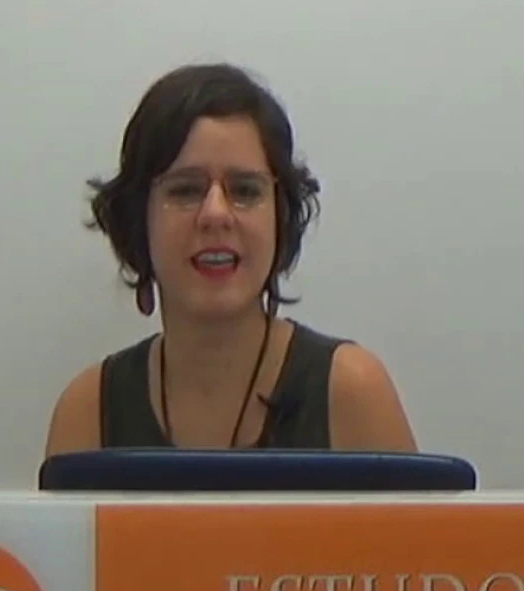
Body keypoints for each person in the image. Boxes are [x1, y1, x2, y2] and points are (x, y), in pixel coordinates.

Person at [45, 63, 417, 455]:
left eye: (245, 190)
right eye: (186, 190)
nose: (216, 214)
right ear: (138, 217)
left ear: (280, 216)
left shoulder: (352, 392)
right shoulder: (87, 412)